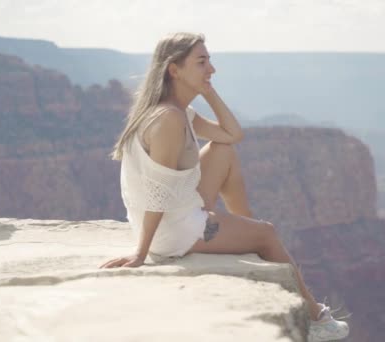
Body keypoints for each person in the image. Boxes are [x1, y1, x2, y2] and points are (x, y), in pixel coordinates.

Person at [99, 32, 349, 341]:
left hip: (177, 209)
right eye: (201, 62)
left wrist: (208, 93)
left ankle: (248, 234)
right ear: (174, 70)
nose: (211, 70)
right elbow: (158, 191)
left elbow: (231, 135)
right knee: (268, 233)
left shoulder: (179, 113)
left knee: (223, 151)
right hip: (172, 229)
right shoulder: (169, 119)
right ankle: (315, 320)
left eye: (209, 62)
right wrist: (142, 252)